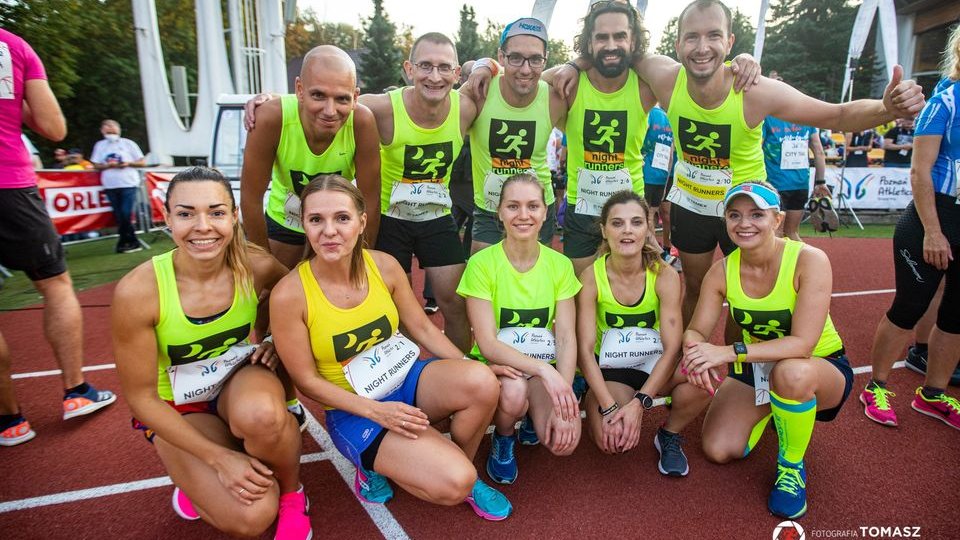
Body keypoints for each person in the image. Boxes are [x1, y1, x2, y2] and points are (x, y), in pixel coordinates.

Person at [269, 174, 512, 521]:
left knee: (483, 382)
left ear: (361, 221)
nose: (330, 231)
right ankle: (379, 466)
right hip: (354, 410)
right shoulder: (290, 294)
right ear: (304, 225)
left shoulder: (383, 265)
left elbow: (424, 329)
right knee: (453, 482)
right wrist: (377, 412)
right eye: (316, 220)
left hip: (406, 379)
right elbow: (306, 381)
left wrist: (470, 362)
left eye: (342, 217)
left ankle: (454, 463)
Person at [112, 167, 310, 538]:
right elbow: (141, 398)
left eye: (217, 212)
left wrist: (271, 341)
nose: (203, 226)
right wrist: (220, 459)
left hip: (238, 378)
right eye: (186, 214)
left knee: (264, 418)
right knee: (250, 519)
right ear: (167, 217)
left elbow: (297, 300)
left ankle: (292, 494)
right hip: (177, 404)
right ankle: (205, 463)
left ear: (234, 216)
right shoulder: (138, 292)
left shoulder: (256, 265)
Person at [682, 182, 853, 519]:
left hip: (817, 366)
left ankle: (791, 467)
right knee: (717, 449)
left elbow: (803, 344)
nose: (744, 223)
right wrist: (695, 351)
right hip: (758, 367)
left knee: (790, 372)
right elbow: (696, 329)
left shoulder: (809, 259)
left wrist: (727, 352)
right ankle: (776, 410)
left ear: (776, 219)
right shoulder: (722, 270)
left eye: (756, 214)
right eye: (735, 215)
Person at [0, 28, 115, 448]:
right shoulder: (12, 47)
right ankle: (76, 390)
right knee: (55, 285)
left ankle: (8, 420)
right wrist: (18, 109)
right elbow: (53, 127)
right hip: (8, 183)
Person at [859, 25, 960, 431]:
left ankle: (934, 393)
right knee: (909, 308)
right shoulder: (945, 103)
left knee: (956, 317)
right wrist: (934, 231)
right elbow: (919, 172)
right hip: (933, 216)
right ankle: (876, 386)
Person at [358, 33, 479, 351]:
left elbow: (508, 77)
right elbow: (331, 98)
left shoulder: (466, 108)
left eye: (443, 68)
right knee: (396, 308)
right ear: (409, 69)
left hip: (437, 218)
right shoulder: (381, 108)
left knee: (455, 301)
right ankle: (409, 376)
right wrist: (270, 100)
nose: (434, 76)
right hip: (388, 220)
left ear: (456, 75)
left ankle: (458, 377)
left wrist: (481, 65)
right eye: (425, 66)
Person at [458, 174, 582, 485]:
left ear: (544, 213)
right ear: (499, 212)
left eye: (532, 206)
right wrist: (544, 370)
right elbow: (486, 342)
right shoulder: (482, 263)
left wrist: (563, 392)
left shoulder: (560, 265)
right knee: (514, 393)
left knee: (563, 444)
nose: (523, 215)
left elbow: (566, 337)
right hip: (499, 367)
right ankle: (504, 437)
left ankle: (531, 416)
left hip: (541, 370)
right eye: (513, 206)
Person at [576, 190, 708, 476]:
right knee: (612, 442)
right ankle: (595, 397)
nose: (627, 231)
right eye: (617, 223)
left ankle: (669, 434)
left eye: (636, 222)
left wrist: (641, 402)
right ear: (604, 230)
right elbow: (584, 349)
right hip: (613, 371)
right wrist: (610, 407)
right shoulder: (591, 277)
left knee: (704, 374)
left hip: (656, 364)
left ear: (649, 228)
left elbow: (673, 347)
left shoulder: (664, 276)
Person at [241, 45, 381, 269]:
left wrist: (360, 258)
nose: (330, 110)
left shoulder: (362, 122)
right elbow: (250, 198)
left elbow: (371, 201)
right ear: (299, 90)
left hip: (335, 227)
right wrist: (263, 260)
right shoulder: (270, 117)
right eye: (318, 95)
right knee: (269, 295)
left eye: (342, 99)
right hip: (285, 220)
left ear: (355, 97)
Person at [465, 18, 562, 254]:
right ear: (501, 57)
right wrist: (481, 64)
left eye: (535, 59)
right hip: (490, 209)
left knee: (535, 284)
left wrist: (573, 65)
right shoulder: (480, 92)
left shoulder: (555, 97)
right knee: (483, 282)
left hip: (537, 208)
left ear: (544, 60)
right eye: (515, 58)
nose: (526, 69)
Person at [762, 72, 830, 241]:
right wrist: (820, 182)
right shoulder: (806, 117)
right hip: (800, 183)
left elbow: (756, 147)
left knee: (775, 234)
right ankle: (799, 267)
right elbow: (819, 151)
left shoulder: (767, 118)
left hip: (775, 183)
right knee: (792, 233)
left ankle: (777, 268)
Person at [91, 119, 147, 254]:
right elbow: (96, 164)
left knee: (126, 213)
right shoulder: (100, 145)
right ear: (102, 130)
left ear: (119, 128)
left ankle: (126, 241)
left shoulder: (128, 144)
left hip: (128, 183)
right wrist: (107, 166)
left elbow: (142, 162)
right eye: (106, 127)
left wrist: (127, 164)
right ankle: (129, 241)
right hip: (110, 185)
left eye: (112, 126)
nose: (109, 129)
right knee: (119, 215)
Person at [641, 105, 680, 263]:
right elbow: (671, 153)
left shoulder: (648, 114)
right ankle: (662, 251)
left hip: (648, 175)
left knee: (646, 216)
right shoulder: (667, 116)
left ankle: (657, 254)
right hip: (663, 175)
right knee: (653, 215)